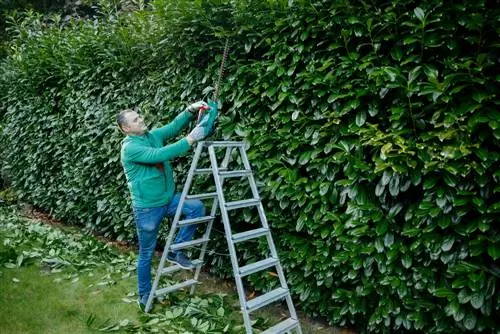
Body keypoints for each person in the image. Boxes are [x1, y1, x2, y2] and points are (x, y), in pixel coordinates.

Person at [116, 101, 208, 311]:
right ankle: (144, 295)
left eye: (139, 116)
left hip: (168, 200)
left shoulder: (152, 136)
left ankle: (176, 251)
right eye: (135, 120)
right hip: (147, 209)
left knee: (196, 208)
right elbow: (160, 155)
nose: (141, 119)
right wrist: (191, 138)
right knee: (146, 253)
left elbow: (173, 126)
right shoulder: (131, 149)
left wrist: (190, 111)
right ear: (126, 129)